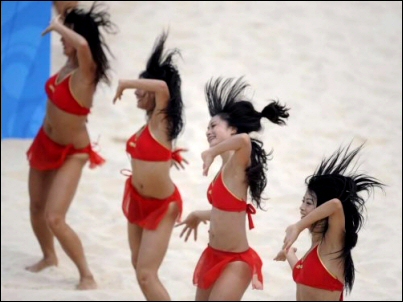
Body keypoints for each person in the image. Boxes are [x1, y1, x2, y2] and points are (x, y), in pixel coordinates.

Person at [25, 2, 116, 290]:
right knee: (36, 207)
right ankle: (49, 257)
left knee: (55, 217)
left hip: (72, 153)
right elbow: (67, 15)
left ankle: (86, 275)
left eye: (65, 38)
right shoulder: (68, 62)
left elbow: (84, 46)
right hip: (45, 141)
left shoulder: (87, 72)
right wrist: (60, 17)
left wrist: (61, 27)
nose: (61, 41)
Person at [176, 77, 290, 301]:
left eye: (213, 126)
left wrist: (210, 153)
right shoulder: (224, 168)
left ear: (233, 130)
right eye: (207, 127)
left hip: (236, 261)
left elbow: (245, 141)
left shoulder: (238, 163)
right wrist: (199, 214)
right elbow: (228, 212)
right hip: (213, 254)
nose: (208, 131)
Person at [113, 31, 187, 301]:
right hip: (137, 199)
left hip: (161, 206)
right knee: (137, 266)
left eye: (141, 89)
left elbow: (164, 89)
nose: (135, 93)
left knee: (146, 273)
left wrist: (127, 81)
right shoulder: (147, 126)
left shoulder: (162, 122)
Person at [274, 143, 385, 301]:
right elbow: (303, 274)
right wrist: (288, 251)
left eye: (309, 202)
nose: (301, 207)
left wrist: (298, 227)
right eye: (303, 201)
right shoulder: (314, 250)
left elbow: (335, 205)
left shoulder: (332, 245)